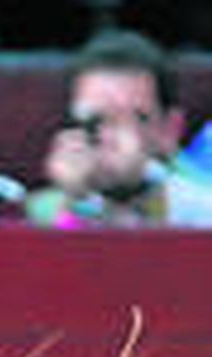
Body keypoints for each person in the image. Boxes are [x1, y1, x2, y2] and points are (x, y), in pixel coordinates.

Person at [26, 28, 212, 228]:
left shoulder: (201, 210)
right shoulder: (44, 210)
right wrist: (77, 199)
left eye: (136, 119)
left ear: (169, 129)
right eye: (94, 120)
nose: (111, 136)